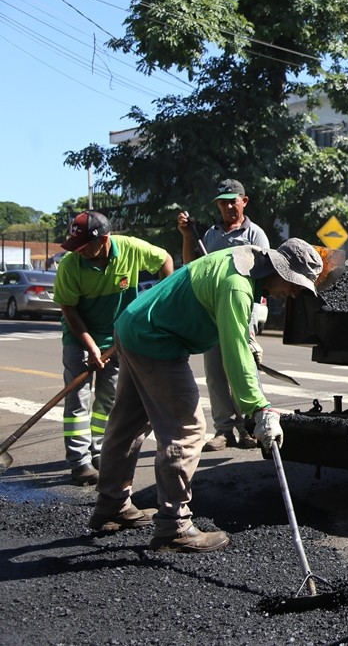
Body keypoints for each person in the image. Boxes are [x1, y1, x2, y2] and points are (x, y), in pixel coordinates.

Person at [86, 238, 323, 550]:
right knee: (187, 429)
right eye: (294, 283)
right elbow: (233, 353)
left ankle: (111, 505)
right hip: (156, 339)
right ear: (279, 269)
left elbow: (228, 323)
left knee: (129, 422)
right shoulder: (237, 284)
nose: (294, 292)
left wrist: (247, 338)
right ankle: (174, 525)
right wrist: (259, 409)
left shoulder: (244, 261)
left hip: (135, 325)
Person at [53, 210, 173, 486]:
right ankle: (79, 462)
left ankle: (99, 451)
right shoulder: (71, 265)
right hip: (80, 335)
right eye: (76, 245)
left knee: (109, 398)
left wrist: (165, 298)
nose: (79, 251)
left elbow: (165, 259)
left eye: (84, 245)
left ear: (104, 239)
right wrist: (91, 346)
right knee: (77, 399)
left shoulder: (130, 248)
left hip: (118, 336)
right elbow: (68, 309)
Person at [176, 178, 270, 451]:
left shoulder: (256, 235)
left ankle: (250, 427)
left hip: (241, 311)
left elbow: (262, 274)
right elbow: (192, 266)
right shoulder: (211, 236)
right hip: (212, 313)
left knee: (243, 367)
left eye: (233, 200)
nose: (229, 206)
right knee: (216, 373)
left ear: (244, 201)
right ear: (218, 205)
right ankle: (224, 430)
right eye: (223, 202)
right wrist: (186, 236)